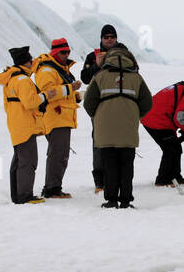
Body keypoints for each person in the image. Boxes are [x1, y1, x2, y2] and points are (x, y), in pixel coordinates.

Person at [83, 45, 153, 208]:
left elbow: (88, 103)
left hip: (105, 128)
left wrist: (99, 116)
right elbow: (147, 103)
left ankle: (111, 199)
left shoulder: (100, 76)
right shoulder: (137, 78)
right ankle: (126, 200)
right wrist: (134, 115)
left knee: (109, 164)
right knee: (127, 165)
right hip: (128, 128)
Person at [0, 45, 45, 204]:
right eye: (31, 60)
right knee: (28, 161)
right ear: (26, 62)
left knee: (19, 160)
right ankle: (25, 195)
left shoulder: (11, 78)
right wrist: (44, 96)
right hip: (25, 125)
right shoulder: (23, 80)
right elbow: (30, 102)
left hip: (16, 123)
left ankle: (17, 195)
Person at [32, 38, 81, 199]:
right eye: (62, 52)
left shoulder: (59, 69)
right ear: (54, 53)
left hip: (62, 117)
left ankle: (53, 187)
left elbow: (60, 93)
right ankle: (52, 189)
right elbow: (48, 92)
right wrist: (70, 88)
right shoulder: (47, 70)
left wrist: (76, 96)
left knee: (60, 154)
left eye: (68, 52)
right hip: (55, 117)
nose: (66, 55)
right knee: (58, 155)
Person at [81, 25, 124, 194]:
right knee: (99, 142)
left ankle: (119, 177)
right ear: (101, 38)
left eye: (112, 36)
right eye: (106, 36)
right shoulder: (93, 56)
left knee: (120, 141)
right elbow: (84, 78)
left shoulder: (123, 54)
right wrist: (96, 65)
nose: (109, 39)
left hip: (120, 103)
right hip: (99, 105)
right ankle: (100, 179)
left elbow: (134, 73)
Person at [141, 76, 184, 186]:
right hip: (155, 120)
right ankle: (162, 180)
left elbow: (178, 113)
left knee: (174, 148)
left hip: (154, 117)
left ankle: (175, 177)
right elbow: (180, 117)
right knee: (171, 149)